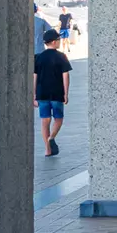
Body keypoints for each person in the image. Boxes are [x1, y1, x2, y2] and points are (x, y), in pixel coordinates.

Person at [33, 28, 71, 156]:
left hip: (42, 93)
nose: (59, 41)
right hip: (57, 93)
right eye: (58, 39)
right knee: (58, 119)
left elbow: (34, 77)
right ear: (54, 42)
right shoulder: (61, 56)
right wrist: (66, 93)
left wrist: (33, 94)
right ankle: (51, 138)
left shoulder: (38, 57)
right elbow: (65, 76)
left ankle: (47, 149)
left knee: (45, 121)